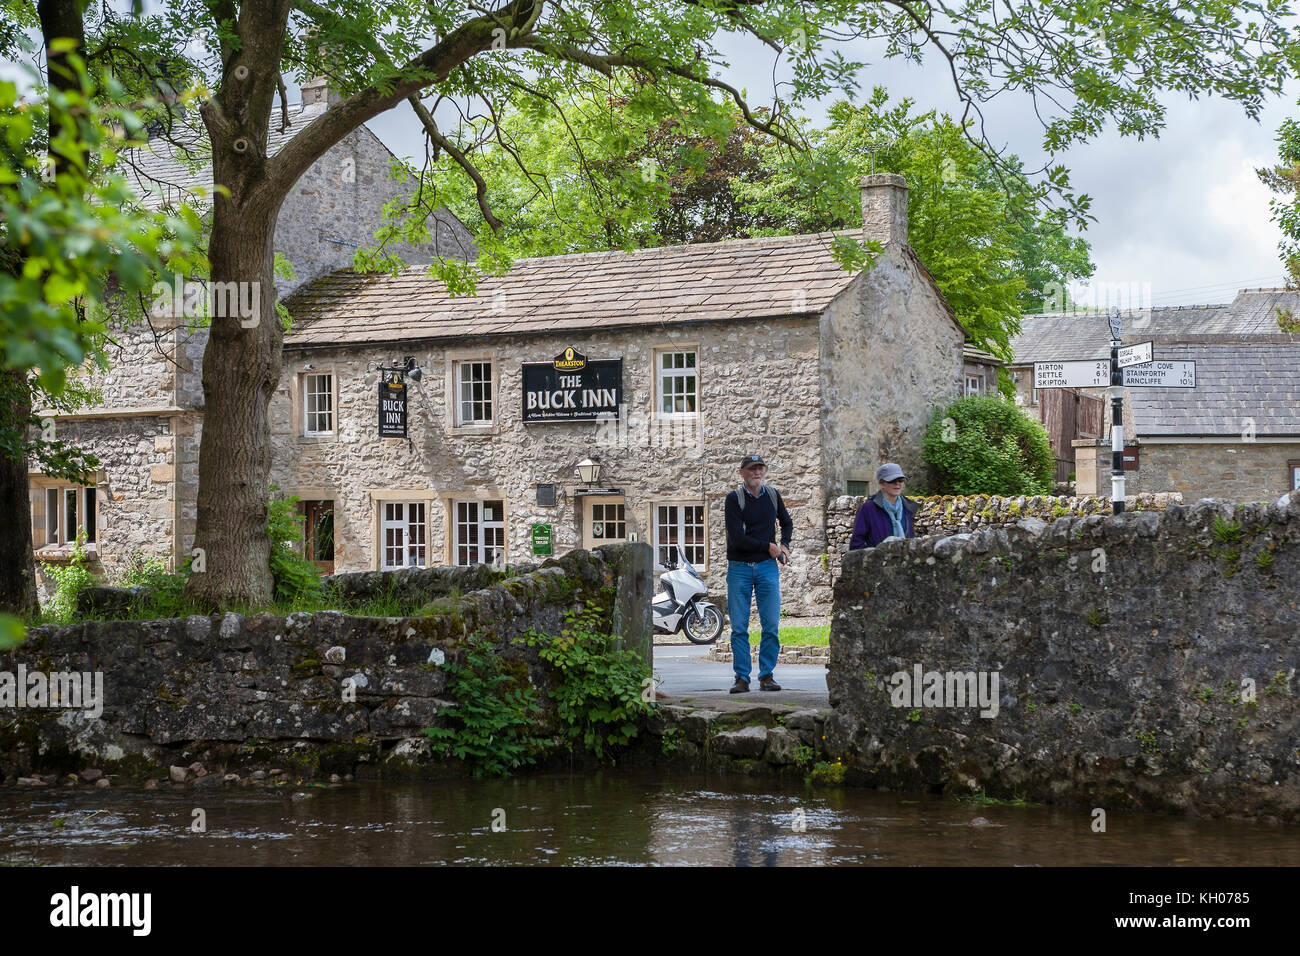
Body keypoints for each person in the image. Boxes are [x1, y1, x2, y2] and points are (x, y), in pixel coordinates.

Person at [724, 453, 793, 694]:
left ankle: (767, 675)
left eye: (760, 468)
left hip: (767, 568)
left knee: (771, 624)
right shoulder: (734, 500)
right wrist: (767, 546)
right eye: (752, 468)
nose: (757, 472)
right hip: (739, 568)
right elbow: (737, 538)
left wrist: (784, 545)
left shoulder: (772, 495)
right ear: (741, 472)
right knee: (740, 627)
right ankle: (742, 678)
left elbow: (787, 522)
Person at [849, 463, 919, 549]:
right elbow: (856, 544)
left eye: (900, 480)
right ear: (881, 483)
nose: (897, 484)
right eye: (892, 480)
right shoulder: (869, 508)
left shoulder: (908, 507)